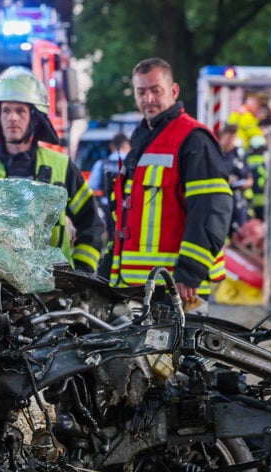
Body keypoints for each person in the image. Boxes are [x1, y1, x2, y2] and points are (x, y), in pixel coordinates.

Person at [110, 57, 232, 307]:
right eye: (141, 92)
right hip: (140, 285)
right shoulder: (144, 137)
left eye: (156, 90)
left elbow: (210, 208)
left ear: (173, 91)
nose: (149, 99)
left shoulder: (194, 139)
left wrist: (190, 271)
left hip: (178, 285)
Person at [0, 67, 104, 273]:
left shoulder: (62, 167)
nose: (13, 118)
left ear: (34, 118)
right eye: (6, 110)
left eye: (20, 111)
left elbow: (91, 224)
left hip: (54, 287)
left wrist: (82, 271)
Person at [88, 132, 131, 277]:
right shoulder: (132, 163)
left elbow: (92, 187)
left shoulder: (102, 164)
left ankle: (109, 261)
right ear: (126, 145)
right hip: (129, 208)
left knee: (111, 238)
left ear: (112, 146)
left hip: (107, 207)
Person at [217, 124, 253, 237]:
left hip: (237, 200)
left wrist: (245, 182)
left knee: (239, 234)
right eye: (229, 137)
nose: (231, 141)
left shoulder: (239, 153)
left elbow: (249, 178)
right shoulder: (217, 153)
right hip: (221, 199)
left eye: (234, 137)